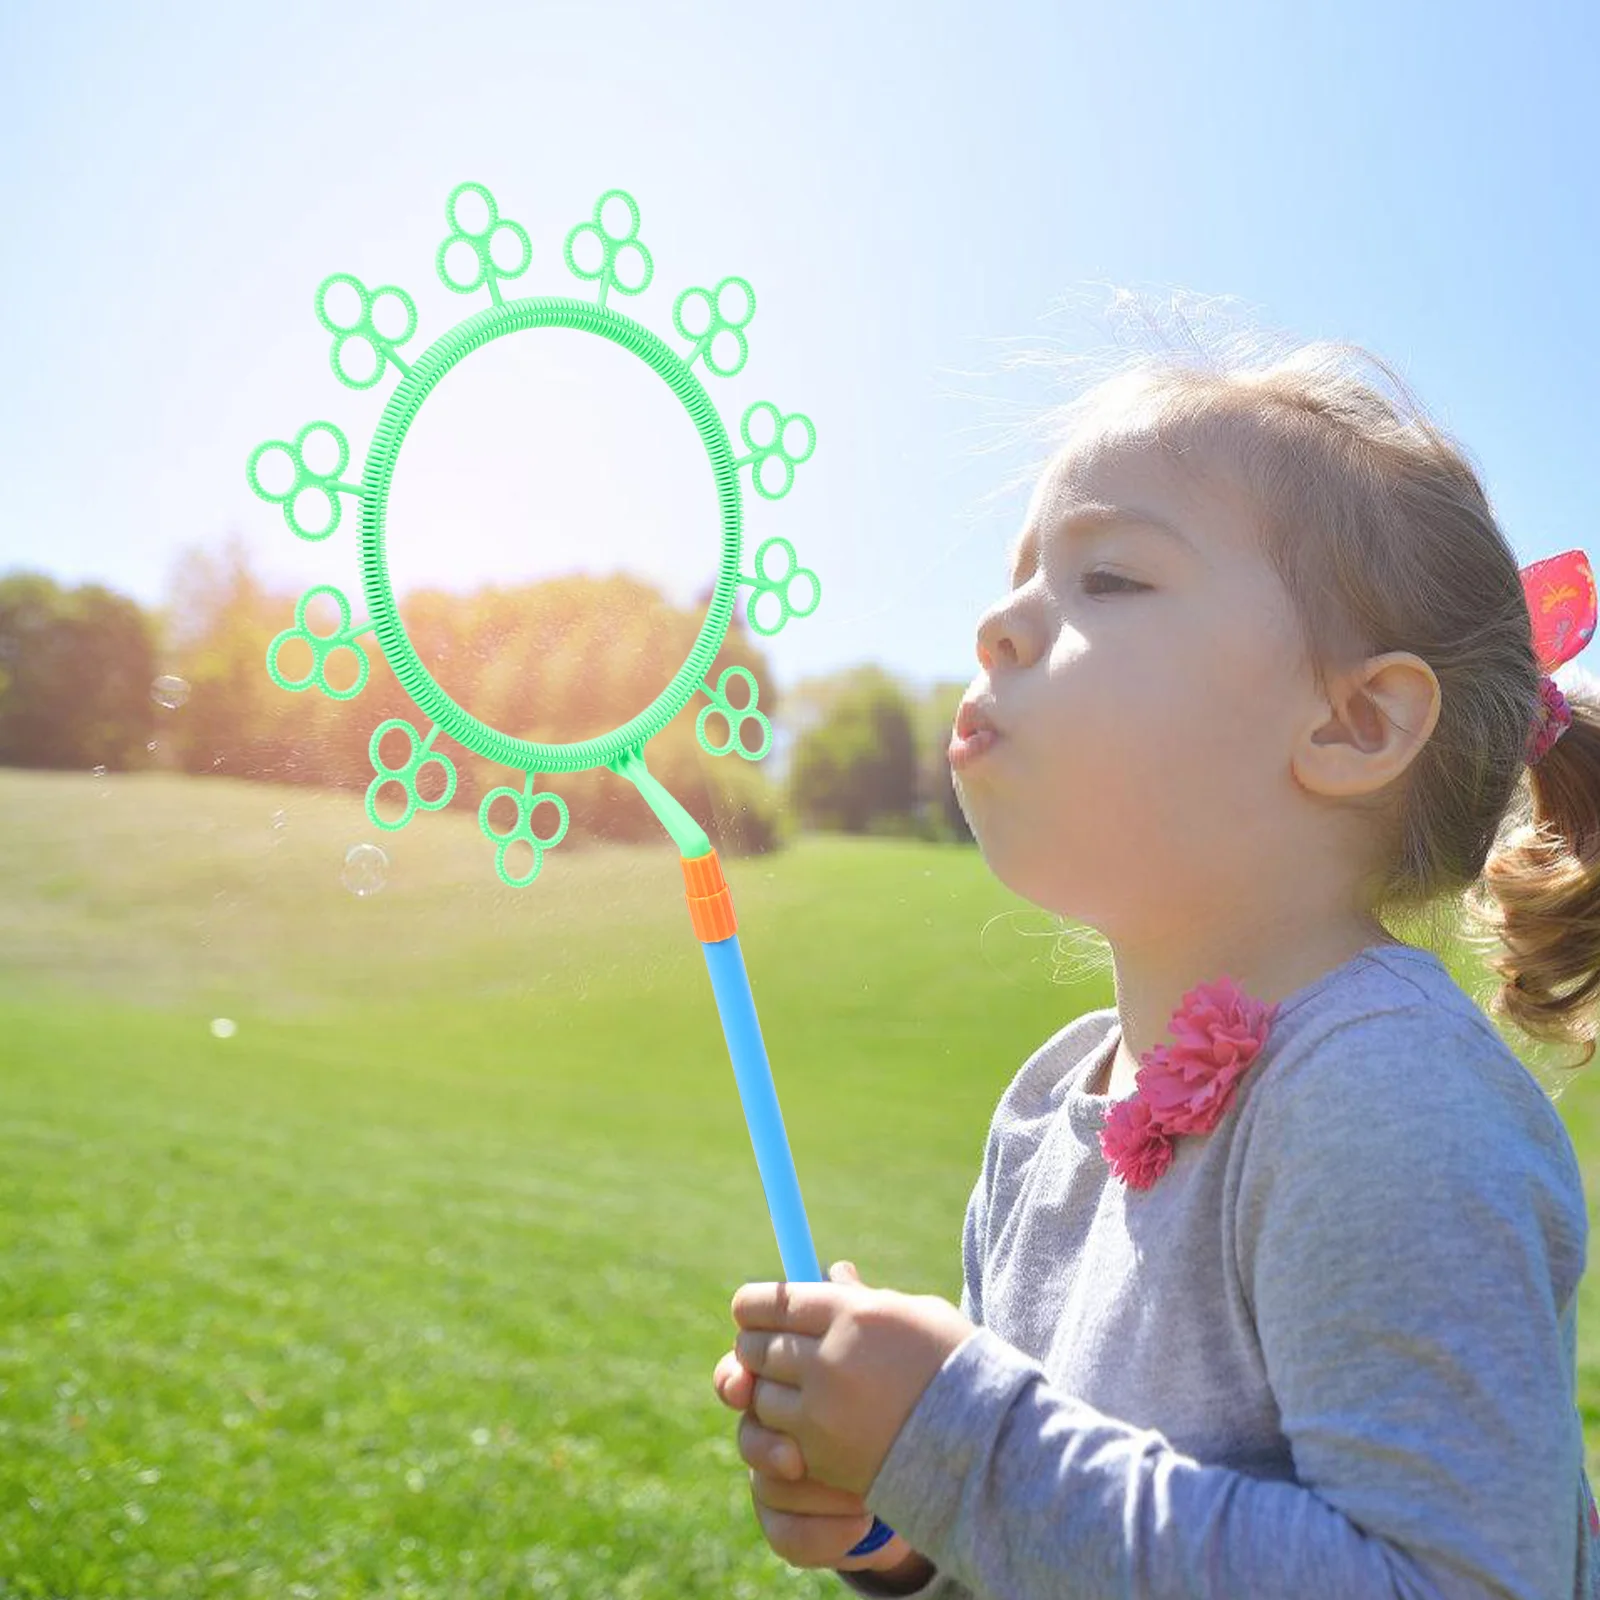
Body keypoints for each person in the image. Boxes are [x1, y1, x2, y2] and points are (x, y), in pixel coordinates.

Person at [713, 331, 1600, 1597]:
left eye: (1110, 578)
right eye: (1020, 573)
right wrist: (903, 1514)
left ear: (1355, 722)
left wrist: (958, 1445)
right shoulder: (1050, 1098)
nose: (998, 624)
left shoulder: (1385, 1099)